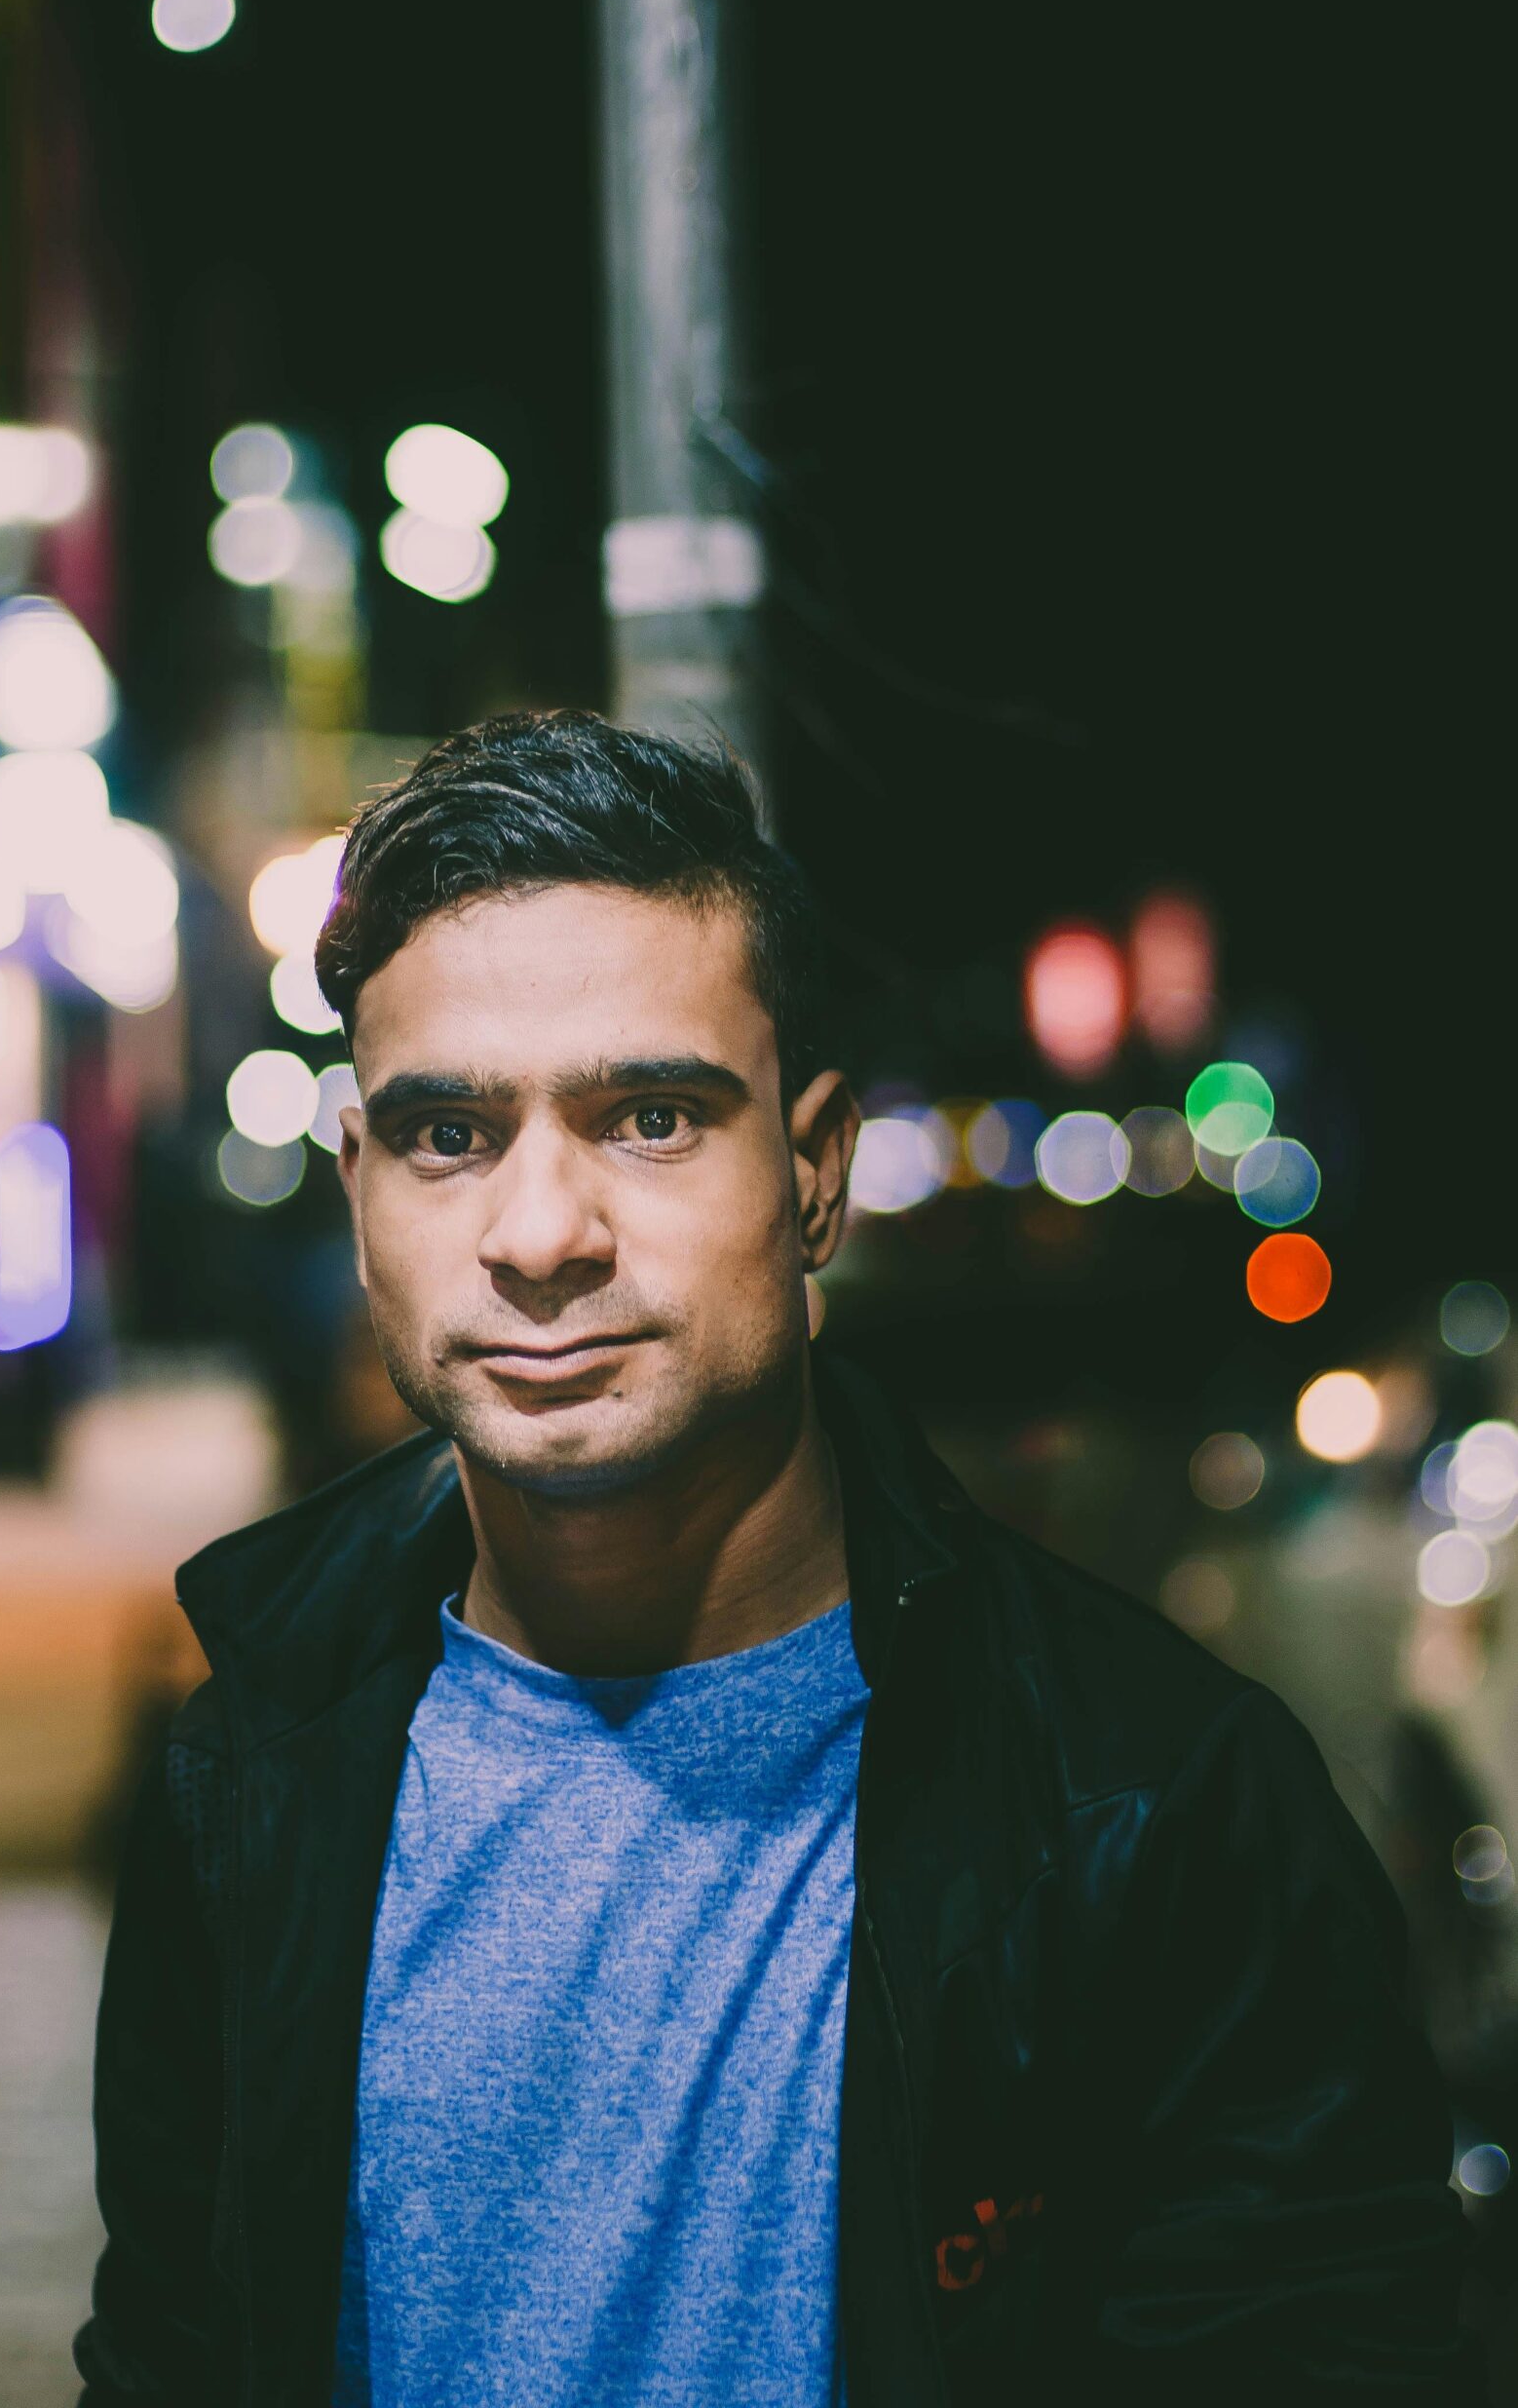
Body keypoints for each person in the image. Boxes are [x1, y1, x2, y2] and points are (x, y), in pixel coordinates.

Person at [73, 709, 1483, 2407]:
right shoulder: (251, 1763)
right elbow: (169, 2349)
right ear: (361, 1187)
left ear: (814, 1174)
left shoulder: (1154, 1811)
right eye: (450, 1136)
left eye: (651, 1120)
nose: (537, 1235)